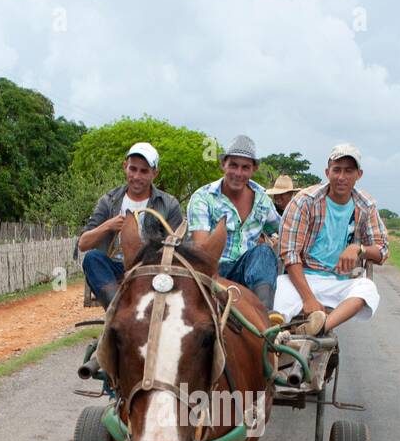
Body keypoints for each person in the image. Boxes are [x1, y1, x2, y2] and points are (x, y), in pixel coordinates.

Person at [274, 144, 388, 335]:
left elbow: (382, 250)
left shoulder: (365, 206)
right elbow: (289, 253)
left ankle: (318, 328)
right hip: (302, 278)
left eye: (348, 171)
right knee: (279, 302)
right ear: (328, 172)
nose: (341, 177)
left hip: (340, 282)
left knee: (367, 289)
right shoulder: (305, 201)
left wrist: (358, 248)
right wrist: (309, 299)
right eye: (337, 170)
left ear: (359, 174)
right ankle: (280, 337)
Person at [77, 142, 183, 306]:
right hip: (117, 269)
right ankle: (117, 309)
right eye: (133, 169)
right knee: (92, 258)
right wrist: (108, 226)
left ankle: (128, 309)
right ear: (125, 167)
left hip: (151, 269)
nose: (137, 176)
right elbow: (83, 244)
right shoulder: (109, 201)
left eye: (144, 171)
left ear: (155, 173)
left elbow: (177, 249)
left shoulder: (169, 204)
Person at [186, 135, 282, 315]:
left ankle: (266, 314)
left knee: (264, 252)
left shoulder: (262, 200)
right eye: (233, 165)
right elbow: (201, 248)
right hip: (214, 272)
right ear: (223, 165)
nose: (238, 173)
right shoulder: (203, 197)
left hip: (248, 273)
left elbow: (284, 230)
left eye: (245, 167)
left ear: (254, 169)